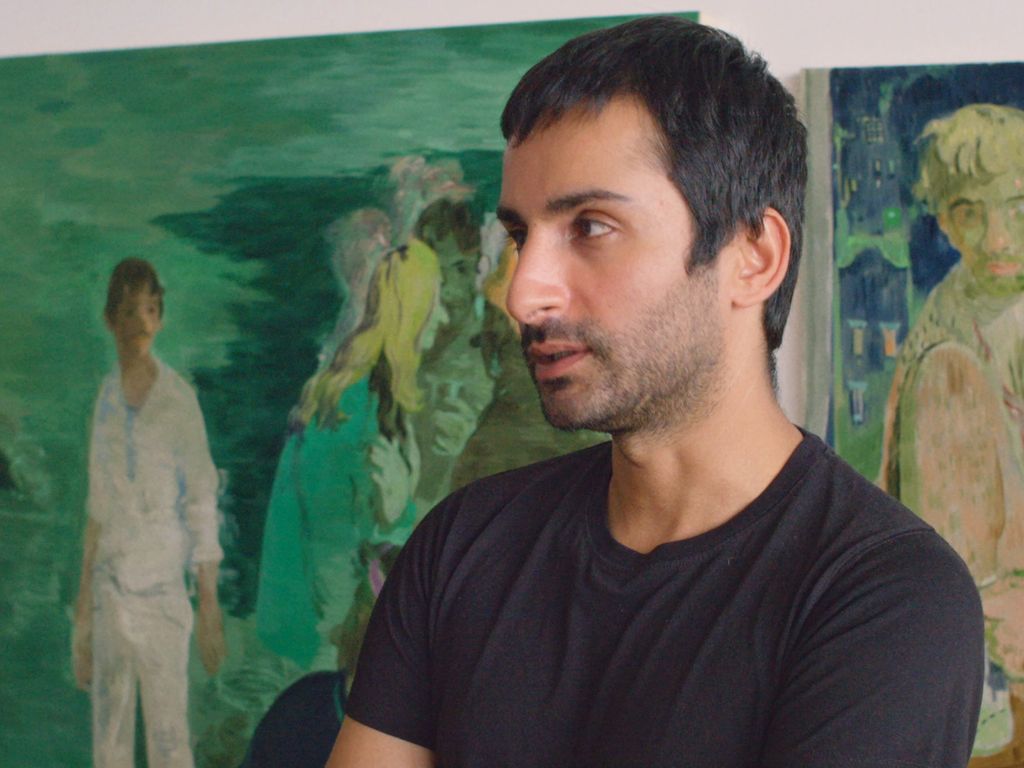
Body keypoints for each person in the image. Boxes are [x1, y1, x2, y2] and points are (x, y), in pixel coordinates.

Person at [328, 17, 985, 767]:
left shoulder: (886, 598)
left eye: (591, 226)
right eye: (519, 237)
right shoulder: (461, 547)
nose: (524, 293)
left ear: (753, 257)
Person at [879, 103, 1024, 760]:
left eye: (1018, 208)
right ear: (943, 218)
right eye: (971, 211)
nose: (998, 237)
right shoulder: (946, 338)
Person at [72, 258, 226, 768]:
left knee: (168, 742)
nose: (141, 322)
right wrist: (83, 617)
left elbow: (202, 502)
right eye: (130, 311)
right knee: (110, 743)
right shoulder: (106, 400)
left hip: (163, 598)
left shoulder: (178, 401)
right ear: (110, 319)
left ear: (160, 319)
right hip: (111, 594)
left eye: (151, 310)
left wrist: (208, 606)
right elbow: (96, 510)